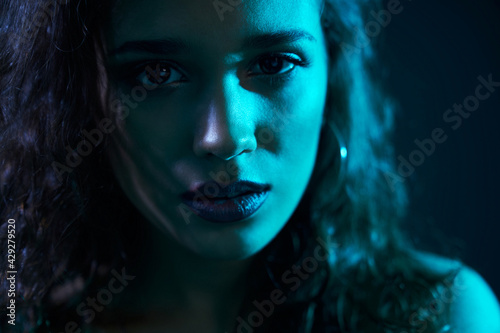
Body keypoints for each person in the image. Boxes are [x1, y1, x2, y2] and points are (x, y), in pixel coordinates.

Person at [1, 0, 499, 332]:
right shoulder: (20, 313)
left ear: (333, 68)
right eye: (157, 72)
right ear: (80, 92)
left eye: (273, 63)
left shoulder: (443, 315)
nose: (224, 138)